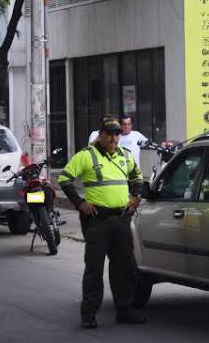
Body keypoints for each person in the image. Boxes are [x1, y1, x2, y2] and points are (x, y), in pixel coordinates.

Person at [58, 117, 148, 329]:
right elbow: (64, 179)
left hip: (122, 219)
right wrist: (79, 203)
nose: (114, 137)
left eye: (117, 133)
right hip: (98, 221)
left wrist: (136, 197)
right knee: (94, 270)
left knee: (124, 268)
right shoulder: (86, 156)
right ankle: (89, 313)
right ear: (100, 135)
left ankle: (124, 310)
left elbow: (138, 178)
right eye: (110, 133)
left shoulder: (125, 156)